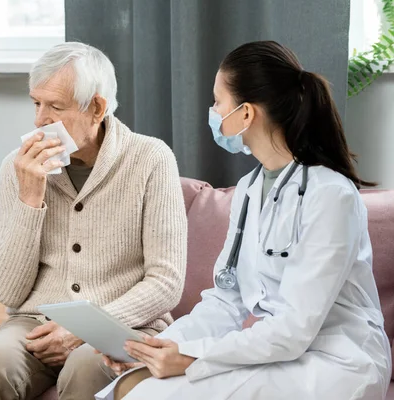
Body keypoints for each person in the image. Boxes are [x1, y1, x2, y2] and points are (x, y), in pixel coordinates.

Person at [100, 41, 392, 400]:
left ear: (246, 114)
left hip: (337, 361)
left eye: (217, 102)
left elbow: (295, 328)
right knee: (130, 385)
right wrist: (155, 347)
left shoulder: (331, 195)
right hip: (282, 353)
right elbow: (226, 301)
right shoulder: (250, 188)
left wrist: (192, 358)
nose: (212, 111)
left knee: (148, 396)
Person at [0, 42, 187, 400]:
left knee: (87, 365)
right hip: (34, 324)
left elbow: (166, 282)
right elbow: (7, 291)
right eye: (35, 103)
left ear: (97, 108)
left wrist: (82, 329)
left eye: (55, 107)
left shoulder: (151, 159)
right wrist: (30, 198)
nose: (40, 120)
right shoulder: (17, 167)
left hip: (125, 322)